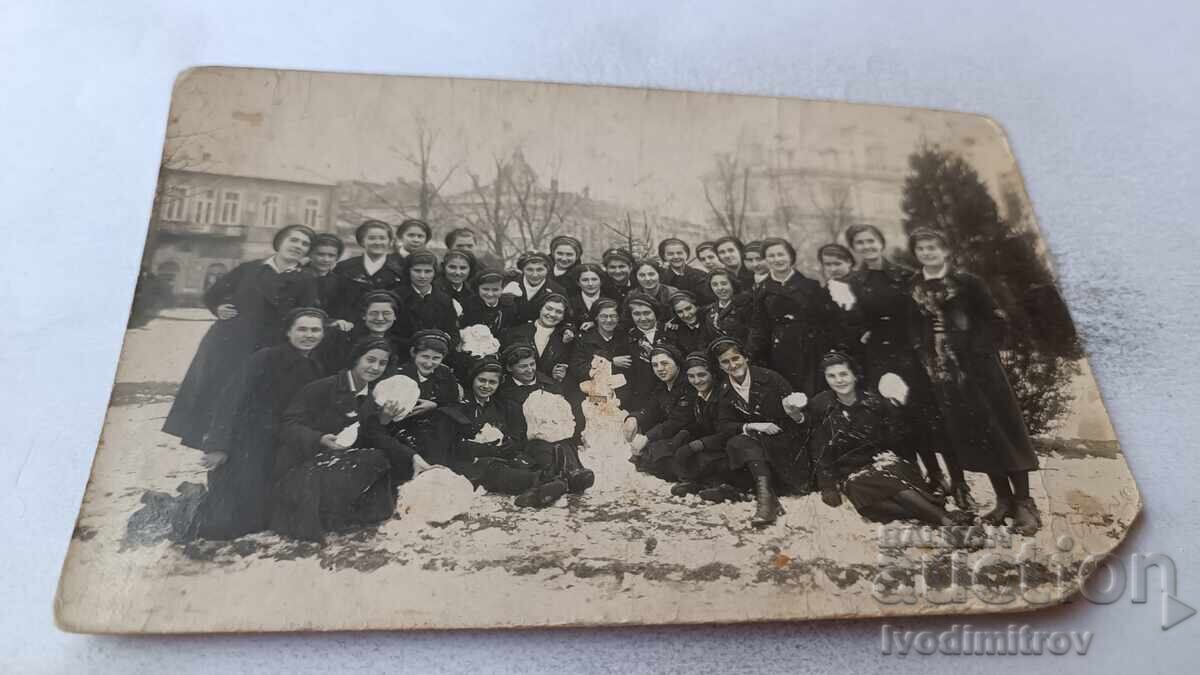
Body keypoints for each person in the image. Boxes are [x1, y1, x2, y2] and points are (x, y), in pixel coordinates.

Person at [907, 227, 1041, 535]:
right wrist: (925, 356)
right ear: (916, 254)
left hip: (981, 371)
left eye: (933, 247)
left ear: (945, 250)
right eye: (922, 248)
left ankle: (1024, 503)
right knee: (978, 435)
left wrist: (976, 352)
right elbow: (913, 327)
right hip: (944, 375)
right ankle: (1003, 500)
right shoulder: (913, 287)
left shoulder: (967, 282)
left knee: (1003, 430)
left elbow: (995, 321)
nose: (928, 252)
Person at [843, 224, 967, 508]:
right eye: (860, 243)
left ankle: (959, 483)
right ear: (855, 248)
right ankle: (927, 479)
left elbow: (924, 313)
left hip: (909, 352)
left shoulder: (905, 275)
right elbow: (850, 319)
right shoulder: (852, 281)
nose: (866, 246)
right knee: (899, 421)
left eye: (871, 240)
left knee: (931, 418)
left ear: (881, 242)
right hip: (877, 357)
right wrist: (860, 332)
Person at [164, 224, 319, 449]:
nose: (298, 246)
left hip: (270, 347)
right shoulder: (250, 269)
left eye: (305, 244)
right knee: (222, 392)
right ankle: (213, 443)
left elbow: (307, 313)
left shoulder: (305, 280)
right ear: (280, 242)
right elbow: (213, 294)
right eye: (294, 240)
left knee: (255, 399)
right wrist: (219, 308)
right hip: (232, 343)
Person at [191, 308, 330, 540]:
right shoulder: (265, 358)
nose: (309, 335)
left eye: (315, 330)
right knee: (225, 525)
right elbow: (230, 399)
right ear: (288, 332)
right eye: (302, 329)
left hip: (281, 445)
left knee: (266, 518)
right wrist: (218, 446)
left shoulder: (316, 367)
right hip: (247, 444)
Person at [808, 351, 973, 528]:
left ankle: (944, 520)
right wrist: (828, 487)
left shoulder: (875, 402)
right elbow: (820, 448)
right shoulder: (822, 406)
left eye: (843, 374)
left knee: (885, 479)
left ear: (855, 376)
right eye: (831, 376)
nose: (839, 380)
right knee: (867, 499)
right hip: (852, 472)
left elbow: (900, 439)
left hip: (885, 462)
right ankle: (939, 513)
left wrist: (898, 410)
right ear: (825, 379)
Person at [268, 337, 398, 542]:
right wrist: (318, 438)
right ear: (356, 359)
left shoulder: (371, 397)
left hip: (335, 463)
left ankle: (346, 516)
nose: (375, 367)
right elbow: (287, 425)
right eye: (370, 360)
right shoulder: (321, 388)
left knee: (377, 458)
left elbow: (369, 435)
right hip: (301, 463)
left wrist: (385, 420)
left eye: (382, 363)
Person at [712, 337, 810, 527]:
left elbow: (802, 418)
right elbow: (723, 425)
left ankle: (766, 497)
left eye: (736, 358)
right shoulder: (724, 390)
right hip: (757, 451)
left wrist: (794, 413)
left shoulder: (771, 379)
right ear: (720, 366)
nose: (732, 365)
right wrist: (753, 426)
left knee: (741, 445)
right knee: (737, 442)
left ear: (746, 358)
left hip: (786, 448)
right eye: (725, 362)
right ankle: (766, 501)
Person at [448, 358, 570, 508]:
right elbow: (453, 445)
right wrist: (487, 449)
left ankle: (537, 491)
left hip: (502, 457)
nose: (486, 386)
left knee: (531, 454)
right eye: (482, 380)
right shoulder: (461, 406)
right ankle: (547, 481)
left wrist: (511, 444)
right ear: (473, 379)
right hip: (474, 464)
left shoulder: (502, 406)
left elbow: (518, 436)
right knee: (494, 469)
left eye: (492, 382)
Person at [358, 329, 462, 472]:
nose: (429, 363)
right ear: (414, 353)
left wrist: (435, 405)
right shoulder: (396, 376)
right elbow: (378, 416)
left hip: (436, 433)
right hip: (402, 432)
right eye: (424, 356)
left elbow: (454, 403)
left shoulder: (445, 375)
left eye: (436, 358)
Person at [497, 344, 594, 494]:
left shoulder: (548, 384)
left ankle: (575, 473)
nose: (530, 370)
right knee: (542, 447)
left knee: (564, 443)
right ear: (510, 368)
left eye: (532, 364)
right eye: (523, 367)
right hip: (527, 440)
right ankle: (555, 477)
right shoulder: (505, 392)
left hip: (556, 433)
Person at [747, 237, 837, 396]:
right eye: (771, 256)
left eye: (781, 254)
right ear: (766, 260)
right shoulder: (762, 291)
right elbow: (760, 327)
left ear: (791, 256)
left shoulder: (811, 285)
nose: (777, 259)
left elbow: (827, 321)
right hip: (780, 351)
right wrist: (751, 354)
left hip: (811, 350)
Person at [668, 353, 742, 500]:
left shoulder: (723, 395)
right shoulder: (700, 396)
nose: (696, 381)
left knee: (704, 458)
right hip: (717, 445)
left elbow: (728, 431)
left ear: (713, 374)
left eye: (702, 375)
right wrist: (686, 432)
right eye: (691, 376)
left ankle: (728, 488)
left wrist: (698, 444)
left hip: (732, 447)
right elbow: (704, 423)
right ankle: (698, 484)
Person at [624, 345, 690, 481]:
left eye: (665, 363)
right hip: (672, 435)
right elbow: (650, 409)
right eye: (655, 365)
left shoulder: (688, 385)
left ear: (677, 363)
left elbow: (679, 420)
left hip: (689, 434)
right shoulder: (662, 387)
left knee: (656, 454)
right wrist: (634, 418)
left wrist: (647, 437)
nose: (660, 369)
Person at [330, 220, 406, 324]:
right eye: (371, 238)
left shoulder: (400, 270)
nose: (377, 242)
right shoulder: (344, 268)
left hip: (386, 328)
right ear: (362, 241)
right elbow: (335, 301)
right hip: (350, 327)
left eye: (382, 238)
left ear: (389, 241)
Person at [569, 299, 633, 409]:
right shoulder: (584, 340)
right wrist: (611, 363)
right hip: (591, 396)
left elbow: (630, 373)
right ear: (596, 318)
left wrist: (617, 400)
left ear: (618, 318)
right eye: (603, 316)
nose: (608, 320)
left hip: (620, 398)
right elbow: (577, 369)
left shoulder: (625, 339)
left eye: (613, 316)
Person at [502, 293, 574, 385]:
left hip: (550, 389)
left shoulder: (567, 338)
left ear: (564, 316)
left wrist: (561, 375)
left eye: (559, 312)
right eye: (549, 308)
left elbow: (571, 369)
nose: (552, 314)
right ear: (540, 308)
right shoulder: (517, 333)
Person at [394, 249, 459, 351]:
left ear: (434, 272)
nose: (422, 276)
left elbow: (453, 332)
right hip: (404, 351)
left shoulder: (444, 299)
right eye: (417, 271)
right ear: (409, 271)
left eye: (428, 271)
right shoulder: (397, 297)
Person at [624, 295, 675, 403]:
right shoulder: (626, 339)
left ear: (655, 312)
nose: (643, 318)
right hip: (643, 398)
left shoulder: (670, 331)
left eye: (647, 313)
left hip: (673, 394)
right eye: (637, 314)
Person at [507, 251, 567, 325]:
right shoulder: (510, 285)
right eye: (529, 270)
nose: (535, 275)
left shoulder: (557, 290)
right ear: (523, 270)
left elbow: (565, 319)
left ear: (547, 270)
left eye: (540, 270)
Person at [700, 269, 753, 345]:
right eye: (715, 285)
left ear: (733, 284)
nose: (720, 288)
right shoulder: (709, 312)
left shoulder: (746, 306)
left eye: (724, 283)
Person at [659, 237, 713, 304]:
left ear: (686, 254)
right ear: (664, 256)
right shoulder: (661, 278)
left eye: (679, 253)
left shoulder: (700, 276)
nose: (676, 257)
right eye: (670, 254)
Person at [308, 233, 346, 315]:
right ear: (310, 254)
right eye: (320, 254)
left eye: (331, 256)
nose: (326, 260)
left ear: (337, 258)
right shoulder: (297, 276)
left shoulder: (340, 283)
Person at [663, 290, 709, 355]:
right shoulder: (675, 329)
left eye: (688, 308)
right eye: (680, 312)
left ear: (696, 306)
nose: (686, 315)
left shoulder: (708, 318)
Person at [568, 263, 610, 328]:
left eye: (594, 279)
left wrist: (595, 323)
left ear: (601, 281)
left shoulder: (610, 299)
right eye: (585, 280)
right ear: (578, 282)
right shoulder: (571, 302)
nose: (590, 284)